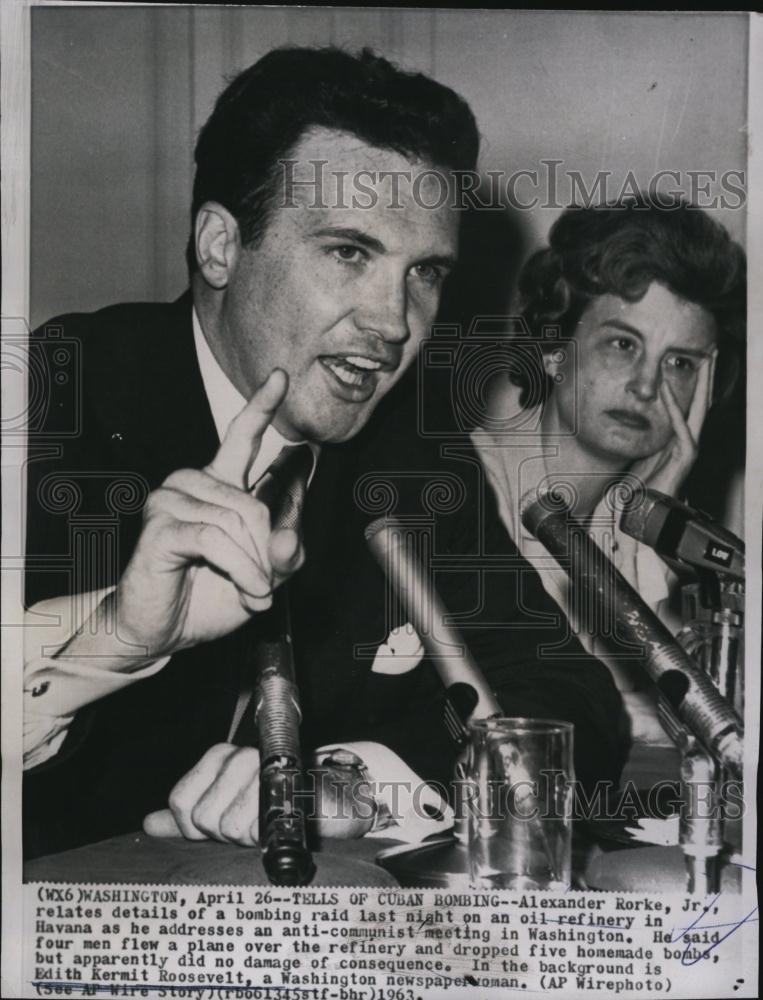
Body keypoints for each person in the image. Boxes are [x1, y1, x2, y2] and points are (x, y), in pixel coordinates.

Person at [22, 46, 626, 860]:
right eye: (349, 252)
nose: (392, 322)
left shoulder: (405, 446)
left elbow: (566, 705)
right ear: (219, 247)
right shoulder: (57, 400)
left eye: (425, 273)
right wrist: (114, 637)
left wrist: (347, 783)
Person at [472, 195, 745, 731]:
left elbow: (690, 725)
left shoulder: (656, 529)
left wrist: (650, 528)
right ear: (554, 349)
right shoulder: (464, 487)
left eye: (680, 363)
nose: (647, 385)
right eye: (623, 344)